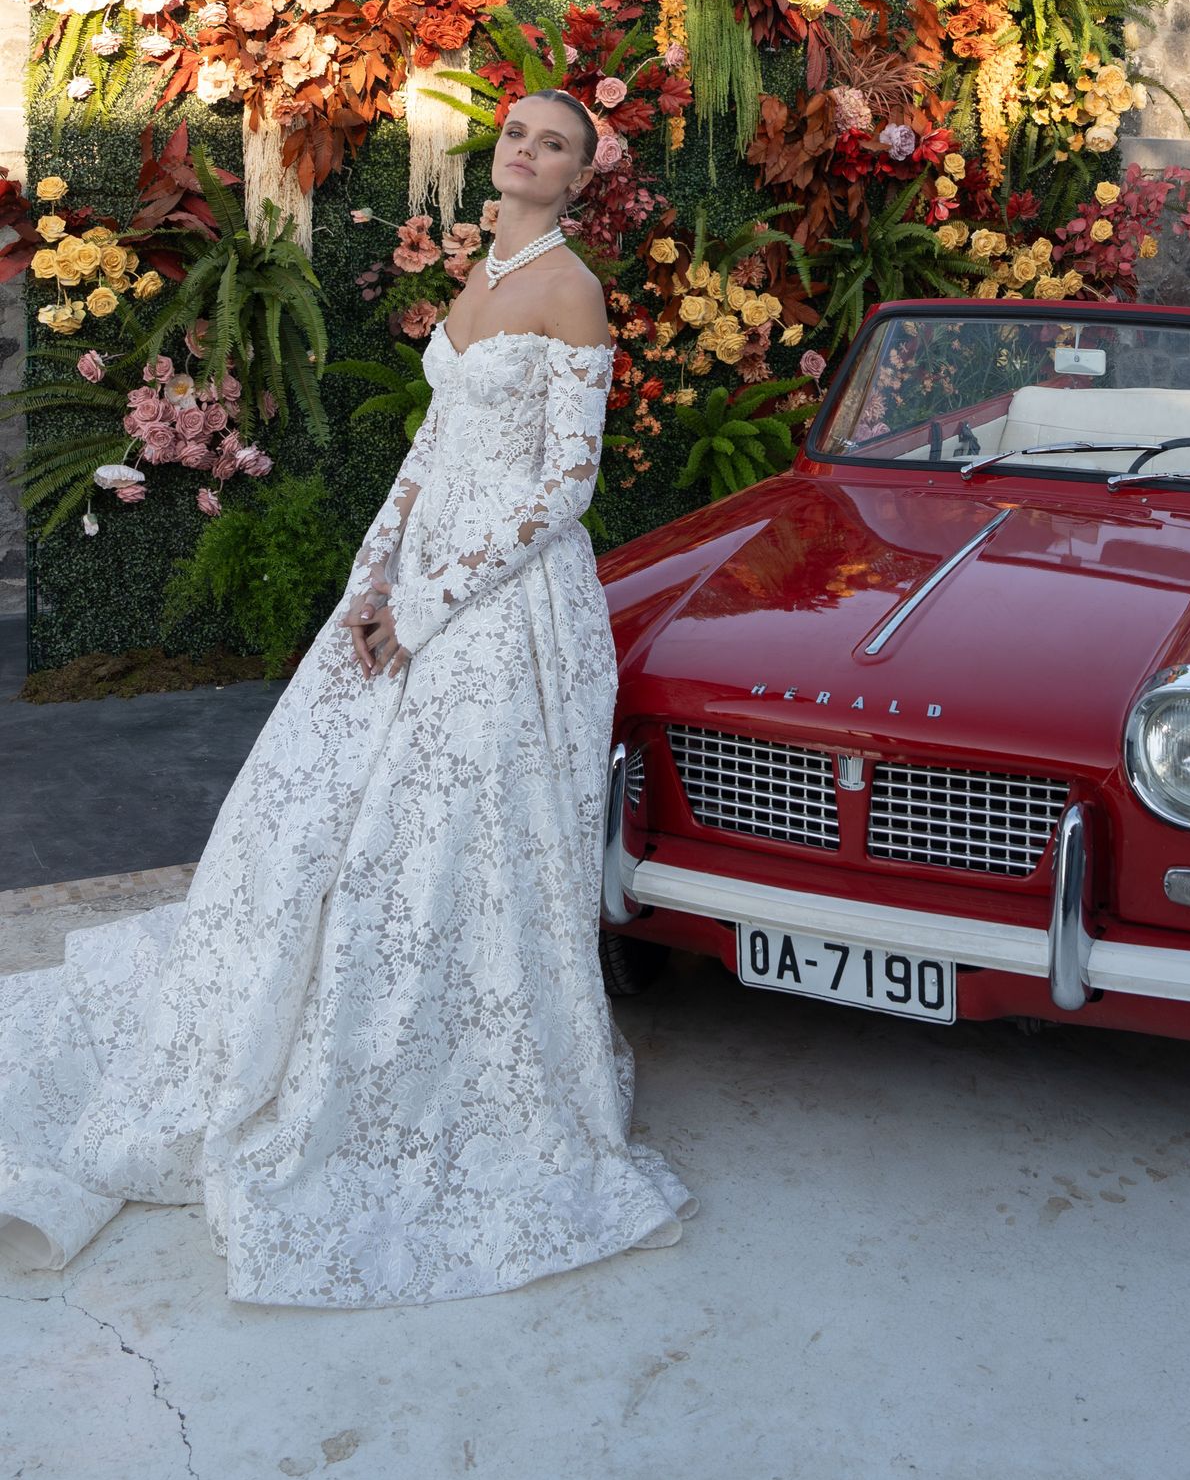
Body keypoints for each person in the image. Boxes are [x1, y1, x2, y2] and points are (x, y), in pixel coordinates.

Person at [0, 89, 696, 1307]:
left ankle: (446, 1069)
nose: (524, 148)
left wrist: (430, 608)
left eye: (553, 142)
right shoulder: (484, 268)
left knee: (451, 836)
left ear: (581, 176)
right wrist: (375, 581)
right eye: (516, 133)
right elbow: (430, 448)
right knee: (328, 808)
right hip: (421, 567)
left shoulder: (569, 286)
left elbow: (566, 486)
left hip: (511, 604)